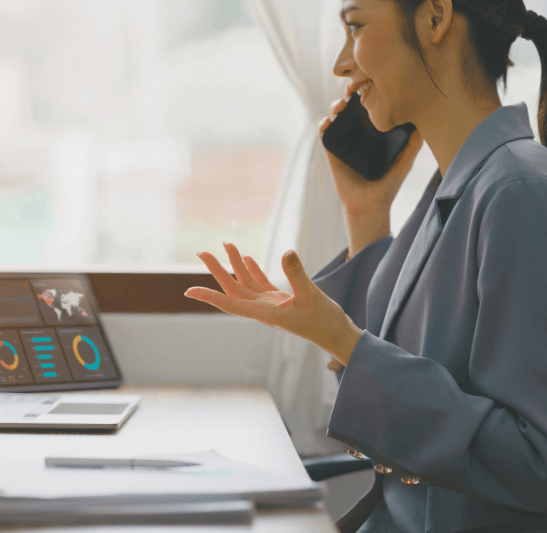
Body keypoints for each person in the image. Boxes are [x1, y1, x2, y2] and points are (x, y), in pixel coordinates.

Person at [185, 0, 547, 531]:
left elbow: (534, 460)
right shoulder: (454, 190)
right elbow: (401, 362)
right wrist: (366, 213)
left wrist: (346, 344)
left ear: (435, 17)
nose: (341, 64)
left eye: (354, 28)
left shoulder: (517, 194)